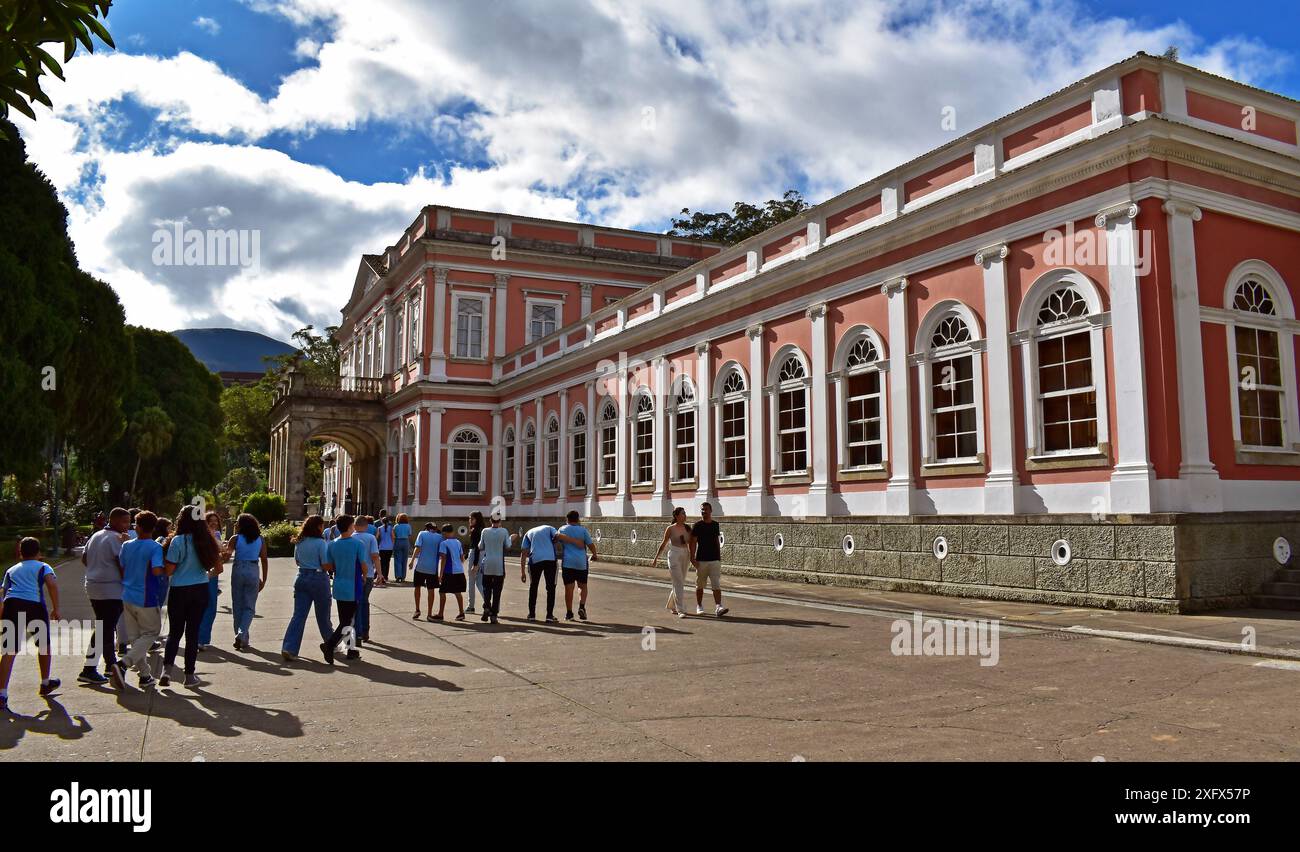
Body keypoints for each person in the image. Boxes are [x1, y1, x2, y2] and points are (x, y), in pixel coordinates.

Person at [161, 507, 223, 687]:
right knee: (193, 633)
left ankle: (167, 670)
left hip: (179, 590)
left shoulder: (178, 541)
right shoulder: (207, 541)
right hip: (200, 589)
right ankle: (189, 676)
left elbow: (169, 570)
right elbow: (218, 569)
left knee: (175, 632)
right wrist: (205, 576)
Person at [0, 537, 62, 711]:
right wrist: (56, 608)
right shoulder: (43, 566)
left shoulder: (11, 570)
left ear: (20, 552)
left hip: (12, 605)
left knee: (9, 650)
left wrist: (2, 613)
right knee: (44, 646)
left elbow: (3, 593)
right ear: (38, 552)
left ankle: (2, 693)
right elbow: (52, 585)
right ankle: (45, 682)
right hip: (34, 605)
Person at [78, 506, 130, 687]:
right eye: (124, 521)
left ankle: (95, 667)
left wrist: (96, 569)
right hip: (111, 589)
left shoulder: (96, 535)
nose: (127, 525)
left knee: (103, 626)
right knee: (106, 628)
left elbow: (84, 558)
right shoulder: (116, 539)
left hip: (93, 586)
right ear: (113, 520)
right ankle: (107, 665)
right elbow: (121, 563)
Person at [118, 511, 167, 688]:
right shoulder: (155, 548)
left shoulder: (127, 546)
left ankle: (145, 675)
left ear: (136, 527)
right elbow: (156, 570)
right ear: (153, 528)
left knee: (135, 637)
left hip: (127, 595)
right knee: (151, 634)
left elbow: (121, 566)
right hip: (145, 596)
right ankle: (124, 663)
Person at [281, 515, 334, 662]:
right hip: (318, 578)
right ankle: (331, 642)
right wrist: (334, 565)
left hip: (301, 576)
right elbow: (325, 565)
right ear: (318, 527)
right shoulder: (320, 543)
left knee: (298, 615)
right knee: (323, 616)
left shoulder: (300, 541)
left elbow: (297, 561)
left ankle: (289, 647)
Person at [321, 514, 366, 664]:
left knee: (345, 619)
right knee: (348, 620)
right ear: (349, 526)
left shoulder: (332, 544)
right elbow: (364, 564)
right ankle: (330, 644)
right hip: (353, 585)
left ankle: (351, 649)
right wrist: (365, 576)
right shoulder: (357, 544)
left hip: (339, 584)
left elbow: (328, 566)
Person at [519, 524, 586, 623]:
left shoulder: (529, 532)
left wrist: (523, 572)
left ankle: (531, 615)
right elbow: (557, 536)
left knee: (533, 587)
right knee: (550, 588)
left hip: (535, 560)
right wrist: (575, 541)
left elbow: (524, 553)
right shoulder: (550, 528)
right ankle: (549, 616)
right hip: (550, 560)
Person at [226, 513, 269, 651]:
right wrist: (264, 579)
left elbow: (227, 555)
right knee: (249, 606)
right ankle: (242, 634)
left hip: (238, 568)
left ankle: (241, 636)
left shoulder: (235, 538)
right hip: (253, 569)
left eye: (237, 522)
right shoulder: (260, 539)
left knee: (237, 605)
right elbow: (264, 559)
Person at [651, 508, 693, 617]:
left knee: (679, 582)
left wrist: (693, 556)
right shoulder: (670, 529)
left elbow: (691, 543)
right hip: (674, 554)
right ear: (677, 516)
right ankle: (681, 610)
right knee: (678, 582)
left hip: (685, 554)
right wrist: (656, 558)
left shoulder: (688, 528)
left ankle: (672, 605)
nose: (685, 515)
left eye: (685, 513)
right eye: (683, 513)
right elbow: (664, 543)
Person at [558, 511, 597, 621]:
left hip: (567, 562)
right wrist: (594, 554)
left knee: (569, 588)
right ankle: (582, 606)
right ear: (578, 519)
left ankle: (569, 613)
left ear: (567, 519)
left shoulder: (562, 529)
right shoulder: (583, 530)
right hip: (581, 563)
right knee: (582, 585)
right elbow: (590, 544)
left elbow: (556, 539)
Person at [691, 502, 728, 616]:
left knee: (716, 584)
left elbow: (716, 541)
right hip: (701, 560)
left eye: (706, 509)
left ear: (711, 511)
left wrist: (719, 557)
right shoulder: (697, 525)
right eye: (702, 510)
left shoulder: (715, 525)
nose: (704, 511)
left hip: (714, 560)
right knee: (700, 585)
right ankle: (699, 605)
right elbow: (693, 542)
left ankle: (718, 607)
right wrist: (692, 558)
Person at [351, 515, 381, 643]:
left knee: (354, 604)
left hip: (353, 575)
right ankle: (364, 631)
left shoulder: (350, 538)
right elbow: (375, 556)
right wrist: (379, 573)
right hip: (368, 574)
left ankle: (355, 631)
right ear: (367, 526)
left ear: (354, 526)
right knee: (364, 602)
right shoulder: (371, 538)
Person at [197, 511, 224, 650]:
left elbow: (222, 551)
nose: (214, 523)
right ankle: (200, 639)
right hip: (205, 574)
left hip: (212, 574)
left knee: (210, 607)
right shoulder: (201, 536)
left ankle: (202, 638)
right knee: (207, 606)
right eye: (210, 521)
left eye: (216, 521)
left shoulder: (217, 534)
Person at [477, 516, 510, 624]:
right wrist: (511, 538)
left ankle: (487, 606)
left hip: (487, 562)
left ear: (490, 520)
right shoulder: (504, 531)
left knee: (486, 587)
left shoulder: (485, 531)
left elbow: (480, 546)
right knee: (497, 590)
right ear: (500, 521)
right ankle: (494, 615)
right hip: (499, 564)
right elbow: (508, 545)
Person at [410, 522, 443, 620]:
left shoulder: (422, 534)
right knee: (431, 590)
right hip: (433, 568)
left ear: (426, 528)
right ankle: (429, 613)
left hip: (420, 566)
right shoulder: (440, 537)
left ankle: (417, 609)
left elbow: (417, 548)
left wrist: (412, 561)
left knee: (417, 587)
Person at [435, 525, 467, 621]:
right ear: (452, 532)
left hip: (449, 571)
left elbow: (443, 559)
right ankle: (461, 613)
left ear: (444, 533)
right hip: (460, 571)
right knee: (458, 592)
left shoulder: (444, 543)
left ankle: (440, 614)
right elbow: (462, 559)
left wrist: (440, 575)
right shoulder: (458, 542)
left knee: (442, 592)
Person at [465, 512, 485, 614]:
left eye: (472, 519)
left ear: (477, 519)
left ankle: (471, 606)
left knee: (472, 581)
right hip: (481, 555)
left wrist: (475, 564)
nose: (470, 520)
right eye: (469, 519)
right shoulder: (482, 530)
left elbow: (476, 548)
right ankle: (488, 603)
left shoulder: (476, 531)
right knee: (480, 582)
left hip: (475, 555)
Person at [375, 514, 395, 586]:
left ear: (382, 522)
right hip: (389, 547)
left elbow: (376, 537)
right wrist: (392, 545)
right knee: (387, 562)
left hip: (382, 547)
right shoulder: (391, 528)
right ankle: (386, 576)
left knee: (382, 562)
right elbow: (393, 537)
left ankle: (381, 576)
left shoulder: (379, 528)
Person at [392, 513, 412, 583]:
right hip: (406, 542)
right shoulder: (408, 526)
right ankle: (403, 577)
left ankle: (398, 576)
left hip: (398, 541)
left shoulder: (396, 526)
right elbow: (409, 536)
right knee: (404, 560)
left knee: (397, 560)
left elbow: (394, 536)